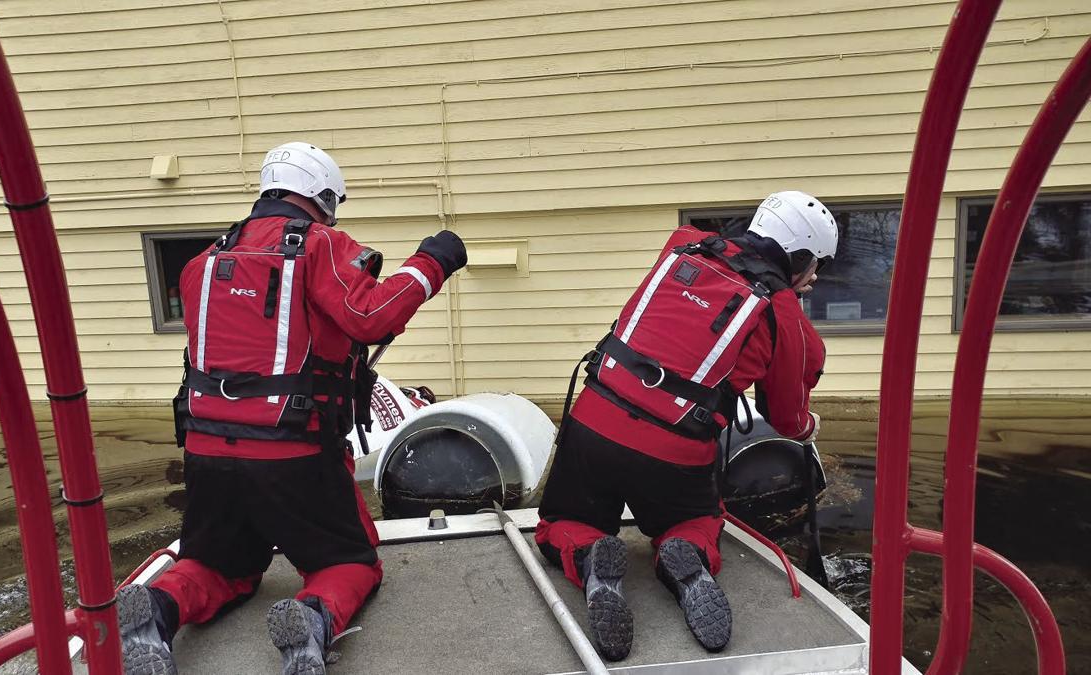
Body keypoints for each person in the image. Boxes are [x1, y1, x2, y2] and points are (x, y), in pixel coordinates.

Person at [116, 142, 467, 675]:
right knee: (350, 562)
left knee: (218, 567)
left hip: (206, 449)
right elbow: (369, 316)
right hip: (292, 452)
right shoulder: (320, 246)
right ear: (322, 196)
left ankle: (160, 610)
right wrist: (432, 262)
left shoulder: (204, 261)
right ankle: (311, 619)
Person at [535, 191, 836, 660]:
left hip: (592, 423)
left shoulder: (683, 243)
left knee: (564, 522)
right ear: (799, 259)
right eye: (816, 266)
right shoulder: (784, 313)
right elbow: (785, 416)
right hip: (673, 454)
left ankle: (591, 553)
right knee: (696, 521)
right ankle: (686, 554)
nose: (815, 277)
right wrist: (807, 425)